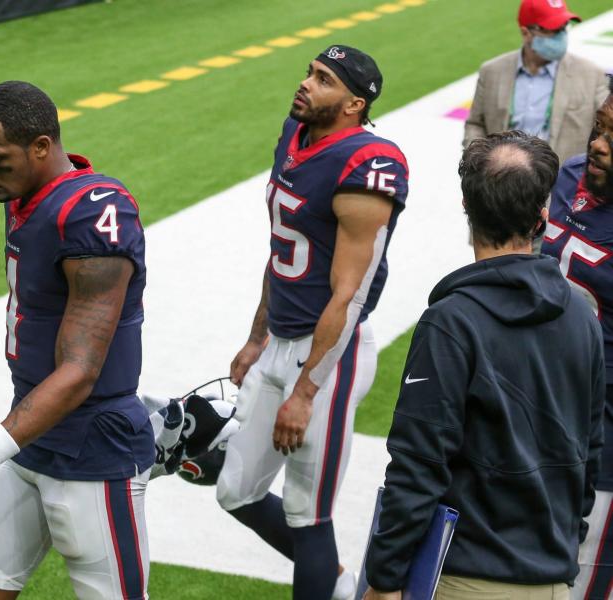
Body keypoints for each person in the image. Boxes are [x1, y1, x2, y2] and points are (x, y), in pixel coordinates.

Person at [0, 81, 154, 600]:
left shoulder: (91, 212)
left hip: (92, 447)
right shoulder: (28, 193)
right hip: (31, 430)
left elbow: (80, 372)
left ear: (41, 147)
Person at [363, 131, 605, 600]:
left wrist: (384, 578)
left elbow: (419, 463)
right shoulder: (583, 317)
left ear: (466, 207)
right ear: (543, 216)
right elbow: (589, 457)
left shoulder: (451, 322)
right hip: (552, 580)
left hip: (464, 578)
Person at [217, 45, 409, 600]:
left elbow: (349, 295)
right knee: (236, 491)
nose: (306, 83)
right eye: (309, 71)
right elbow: (281, 249)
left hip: (329, 354)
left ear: (353, 104)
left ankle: (325, 582)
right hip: (280, 336)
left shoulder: (368, 164)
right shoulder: (295, 134)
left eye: (322, 79)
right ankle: (338, 585)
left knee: (308, 512)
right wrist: (257, 337)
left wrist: (305, 391)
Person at [542, 76, 613, 600]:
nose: (598, 145)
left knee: (583, 575)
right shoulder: (567, 176)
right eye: (598, 129)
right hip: (538, 406)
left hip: (604, 431)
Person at [463, 0, 607, 166]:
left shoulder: (591, 75)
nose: (561, 36)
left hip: (561, 184)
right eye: (552, 30)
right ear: (526, 33)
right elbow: (475, 123)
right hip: (500, 180)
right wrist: (480, 163)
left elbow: (605, 128)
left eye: (564, 27)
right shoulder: (491, 72)